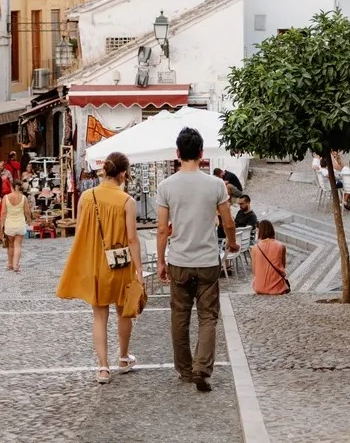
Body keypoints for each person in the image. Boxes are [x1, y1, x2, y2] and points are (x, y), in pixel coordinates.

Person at [157, 128, 238, 393]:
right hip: (207, 261)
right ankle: (202, 368)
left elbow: (161, 229)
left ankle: (184, 369)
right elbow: (227, 221)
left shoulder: (166, 186)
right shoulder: (215, 185)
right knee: (207, 317)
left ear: (178, 154)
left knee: (180, 316)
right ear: (202, 155)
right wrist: (233, 242)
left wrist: (160, 261)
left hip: (179, 259)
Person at [57, 152, 144, 385]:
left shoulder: (86, 197)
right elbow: (132, 238)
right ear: (123, 173)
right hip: (121, 265)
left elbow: (83, 231)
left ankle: (103, 368)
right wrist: (140, 269)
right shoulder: (127, 201)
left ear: (105, 170)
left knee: (99, 315)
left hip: (96, 264)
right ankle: (123, 359)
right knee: (123, 311)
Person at [250, 220, 289, 296]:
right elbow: (283, 266)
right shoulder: (281, 246)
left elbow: (254, 270)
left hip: (259, 287)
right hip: (278, 287)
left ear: (260, 232)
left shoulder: (255, 248)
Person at [1, 180, 32, 271]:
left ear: (12, 186)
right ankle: (16, 265)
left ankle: (10, 264)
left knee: (10, 245)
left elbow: (3, 212)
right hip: (20, 224)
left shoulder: (6, 197)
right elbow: (27, 211)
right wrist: (29, 220)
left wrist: (1, 224)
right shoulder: (23, 198)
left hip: (9, 225)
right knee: (18, 245)